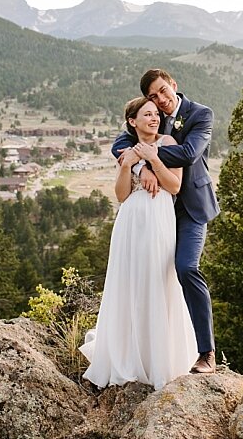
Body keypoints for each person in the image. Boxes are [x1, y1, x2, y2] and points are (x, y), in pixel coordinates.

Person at [111, 69, 221, 374]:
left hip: (190, 209)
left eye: (163, 91)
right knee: (148, 275)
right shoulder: (153, 115)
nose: (160, 100)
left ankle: (206, 352)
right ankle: (144, 349)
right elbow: (121, 140)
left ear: (174, 85)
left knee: (186, 268)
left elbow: (188, 153)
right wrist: (138, 169)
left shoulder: (200, 114)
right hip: (157, 212)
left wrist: (147, 159)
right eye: (153, 97)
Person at [82, 98, 197, 389]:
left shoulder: (169, 141)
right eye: (147, 114)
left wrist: (153, 159)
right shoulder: (126, 150)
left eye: (156, 114)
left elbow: (174, 186)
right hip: (131, 222)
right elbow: (121, 195)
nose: (154, 118)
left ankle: (160, 359)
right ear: (133, 122)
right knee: (130, 282)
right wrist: (130, 166)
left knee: (159, 281)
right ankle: (128, 355)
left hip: (160, 219)